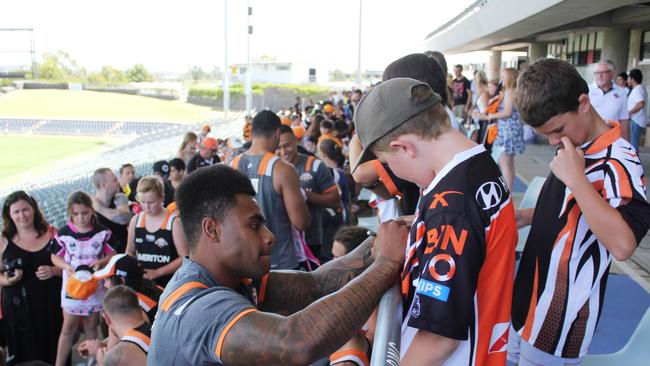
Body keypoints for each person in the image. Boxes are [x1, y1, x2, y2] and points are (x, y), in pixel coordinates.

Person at [147, 164, 409, 365]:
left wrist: (385, 238)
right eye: (254, 225)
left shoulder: (233, 278)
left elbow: (318, 284)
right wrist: (386, 263)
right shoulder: (198, 308)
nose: (269, 236)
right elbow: (295, 342)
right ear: (212, 230)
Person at [353, 78, 517, 365]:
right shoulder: (479, 162)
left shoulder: (451, 209)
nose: (394, 173)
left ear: (404, 147)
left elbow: (438, 338)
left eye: (388, 162)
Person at [508, 58, 650, 366]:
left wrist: (576, 178)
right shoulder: (577, 142)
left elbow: (624, 244)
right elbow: (573, 212)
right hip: (526, 300)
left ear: (583, 103)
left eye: (557, 130)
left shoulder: (619, 160)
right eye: (546, 134)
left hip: (559, 321)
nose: (554, 141)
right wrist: (525, 216)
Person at [231, 110, 311, 270]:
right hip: (280, 261)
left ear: (252, 132)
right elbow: (301, 222)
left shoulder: (233, 164)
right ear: (277, 133)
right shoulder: (283, 169)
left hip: (244, 260)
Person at [51, 191, 115, 366]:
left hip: (94, 288)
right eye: (76, 214)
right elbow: (54, 256)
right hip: (72, 289)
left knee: (91, 325)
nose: (81, 218)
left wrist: (101, 261)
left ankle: (91, 361)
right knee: (67, 329)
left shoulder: (102, 232)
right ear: (70, 214)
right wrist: (66, 266)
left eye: (85, 213)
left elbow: (113, 254)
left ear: (92, 211)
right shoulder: (63, 233)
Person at [0, 191, 63, 365]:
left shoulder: (52, 233)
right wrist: (8, 280)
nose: (22, 215)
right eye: (16, 212)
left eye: (25, 209)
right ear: (9, 215)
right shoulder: (3, 241)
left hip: (51, 306)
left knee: (55, 347)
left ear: (33, 209)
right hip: (19, 311)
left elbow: (70, 267)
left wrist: (54, 271)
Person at [277, 125, 339, 260]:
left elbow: (335, 200)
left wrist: (302, 194)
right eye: (278, 147)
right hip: (282, 242)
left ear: (296, 141)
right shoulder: (271, 168)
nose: (283, 151)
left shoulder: (315, 165)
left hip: (312, 240)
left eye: (287, 145)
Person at [125, 176, 188, 287]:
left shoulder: (173, 223)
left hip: (170, 284)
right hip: (144, 283)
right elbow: (129, 252)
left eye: (151, 202)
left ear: (162, 198)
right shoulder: (136, 221)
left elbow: (185, 258)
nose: (146, 207)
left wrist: (158, 272)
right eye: (142, 202)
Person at [475, 68, 524, 191]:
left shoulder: (510, 91)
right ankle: (509, 190)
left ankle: (507, 192)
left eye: (504, 76)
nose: (502, 79)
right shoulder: (512, 91)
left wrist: (491, 116)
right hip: (510, 129)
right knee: (509, 162)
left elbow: (507, 112)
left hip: (508, 130)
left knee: (504, 162)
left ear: (510, 77)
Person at [77, 286, 150, 366]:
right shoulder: (156, 330)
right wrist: (102, 345)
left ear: (107, 319)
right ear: (140, 309)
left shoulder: (120, 356)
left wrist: (101, 361)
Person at [94, 253, 163, 323]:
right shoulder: (157, 288)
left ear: (122, 281)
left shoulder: (132, 305)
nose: (105, 285)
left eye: (107, 280)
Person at [317, 138, 351, 259]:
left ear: (324, 155)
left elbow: (339, 194)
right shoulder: (340, 171)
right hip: (344, 212)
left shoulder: (332, 173)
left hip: (337, 215)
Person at [93, 168, 133, 253]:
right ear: (104, 185)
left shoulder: (119, 198)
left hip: (123, 252)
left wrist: (99, 208)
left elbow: (123, 219)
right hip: (104, 257)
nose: (118, 182)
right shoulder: (89, 209)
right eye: (114, 180)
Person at [588, 60, 630, 140]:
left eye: (603, 72)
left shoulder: (621, 93)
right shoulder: (587, 90)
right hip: (590, 139)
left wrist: (627, 144)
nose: (599, 76)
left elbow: (624, 120)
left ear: (612, 73)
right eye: (597, 73)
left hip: (613, 139)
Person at [628, 68, 647, 152]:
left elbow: (640, 104)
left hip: (636, 120)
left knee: (633, 146)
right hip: (637, 120)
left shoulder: (638, 89)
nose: (627, 80)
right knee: (633, 144)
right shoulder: (639, 89)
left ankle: (635, 164)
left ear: (632, 79)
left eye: (628, 78)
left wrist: (629, 112)